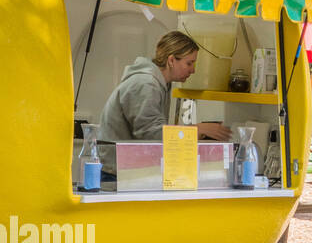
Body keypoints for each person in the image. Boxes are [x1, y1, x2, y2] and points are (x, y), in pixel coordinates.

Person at [98, 32, 232, 154]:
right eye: (189, 63)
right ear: (172, 60)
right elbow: (150, 135)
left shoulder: (161, 84)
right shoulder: (145, 84)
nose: (193, 71)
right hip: (116, 170)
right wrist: (196, 129)